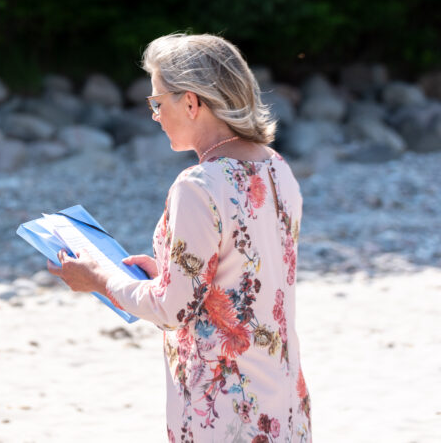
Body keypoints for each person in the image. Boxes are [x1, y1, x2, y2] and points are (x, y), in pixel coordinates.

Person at [48, 33, 311, 442]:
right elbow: (246, 276)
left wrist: (98, 278)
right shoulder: (276, 169)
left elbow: (172, 310)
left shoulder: (199, 185)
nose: (154, 115)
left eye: (157, 102)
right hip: (284, 403)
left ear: (191, 102)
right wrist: (167, 272)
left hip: (224, 412)